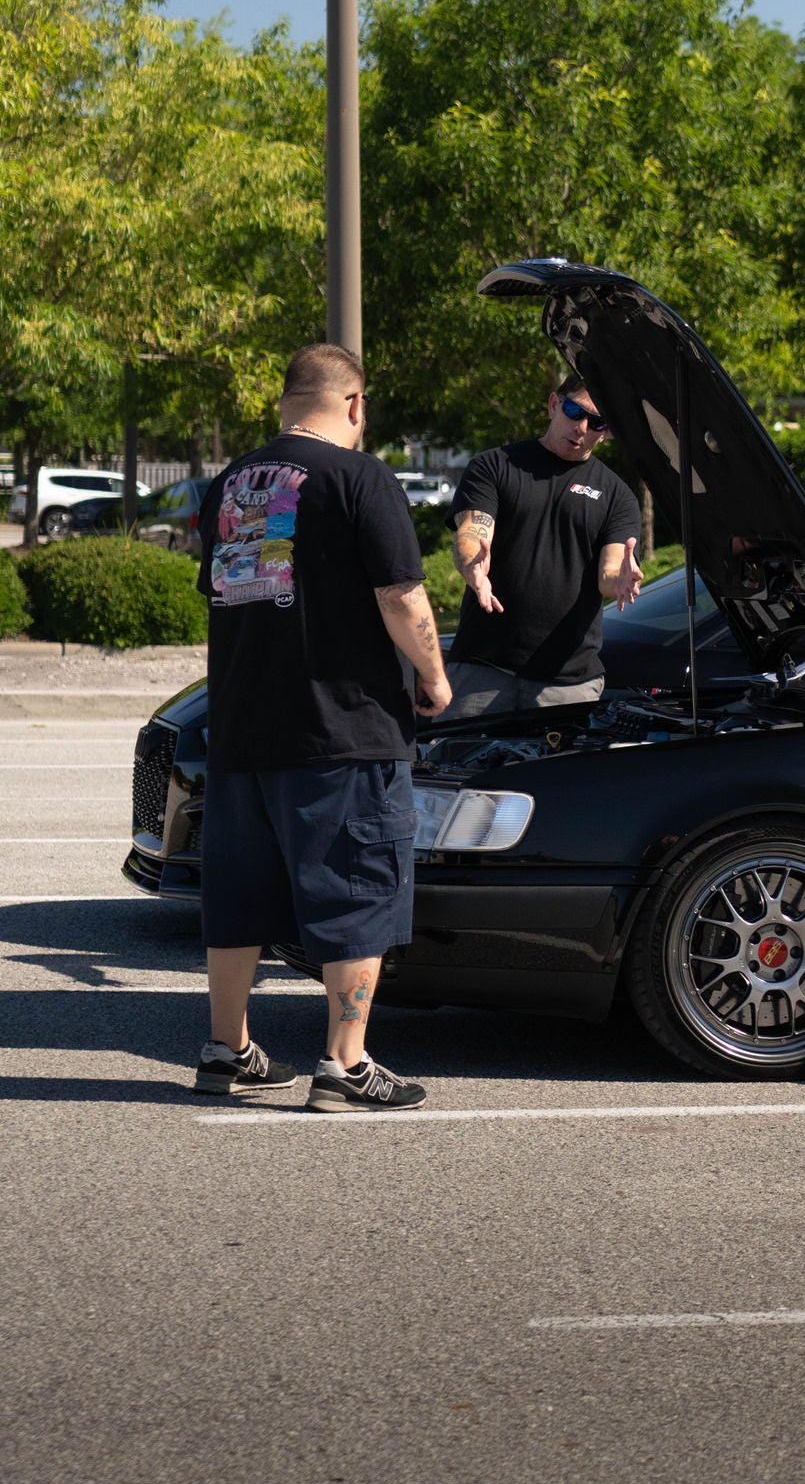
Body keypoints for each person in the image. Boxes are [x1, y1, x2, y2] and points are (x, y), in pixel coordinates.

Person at [190, 344, 452, 1113]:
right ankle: (344, 1064)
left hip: (242, 725)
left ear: (284, 401)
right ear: (355, 405)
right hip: (341, 727)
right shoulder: (359, 476)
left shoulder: (230, 482)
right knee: (356, 891)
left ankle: (227, 1050)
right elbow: (401, 595)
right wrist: (434, 679)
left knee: (238, 895)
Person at [445, 370, 643, 719]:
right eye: (574, 411)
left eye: (597, 422)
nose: (582, 427)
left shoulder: (617, 495)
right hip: (482, 668)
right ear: (554, 404)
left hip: (568, 682)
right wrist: (472, 564)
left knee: (557, 774)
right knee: (459, 769)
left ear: (607, 432)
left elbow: (609, 573)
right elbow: (474, 530)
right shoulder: (495, 466)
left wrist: (622, 581)